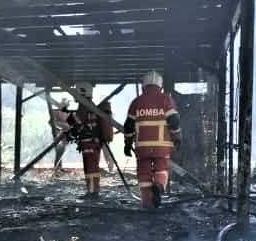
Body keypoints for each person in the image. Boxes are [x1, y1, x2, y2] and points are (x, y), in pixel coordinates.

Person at [123, 71, 182, 209]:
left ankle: (147, 204)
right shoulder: (166, 100)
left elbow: (128, 125)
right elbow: (174, 121)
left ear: (143, 86)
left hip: (142, 146)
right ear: (160, 86)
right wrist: (177, 138)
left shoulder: (136, 102)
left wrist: (127, 143)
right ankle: (159, 186)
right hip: (162, 145)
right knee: (161, 168)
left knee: (143, 173)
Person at [68, 82, 113, 198]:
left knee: (91, 169)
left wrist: (70, 121)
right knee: (91, 167)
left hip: (89, 143)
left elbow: (75, 121)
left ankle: (92, 193)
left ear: (81, 92)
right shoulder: (91, 106)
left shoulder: (84, 106)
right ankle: (92, 191)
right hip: (93, 143)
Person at [50, 97, 71, 171]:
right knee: (59, 151)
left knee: (62, 151)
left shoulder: (68, 112)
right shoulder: (56, 111)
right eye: (66, 104)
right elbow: (51, 122)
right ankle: (57, 168)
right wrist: (60, 128)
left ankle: (59, 167)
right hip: (58, 133)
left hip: (65, 133)